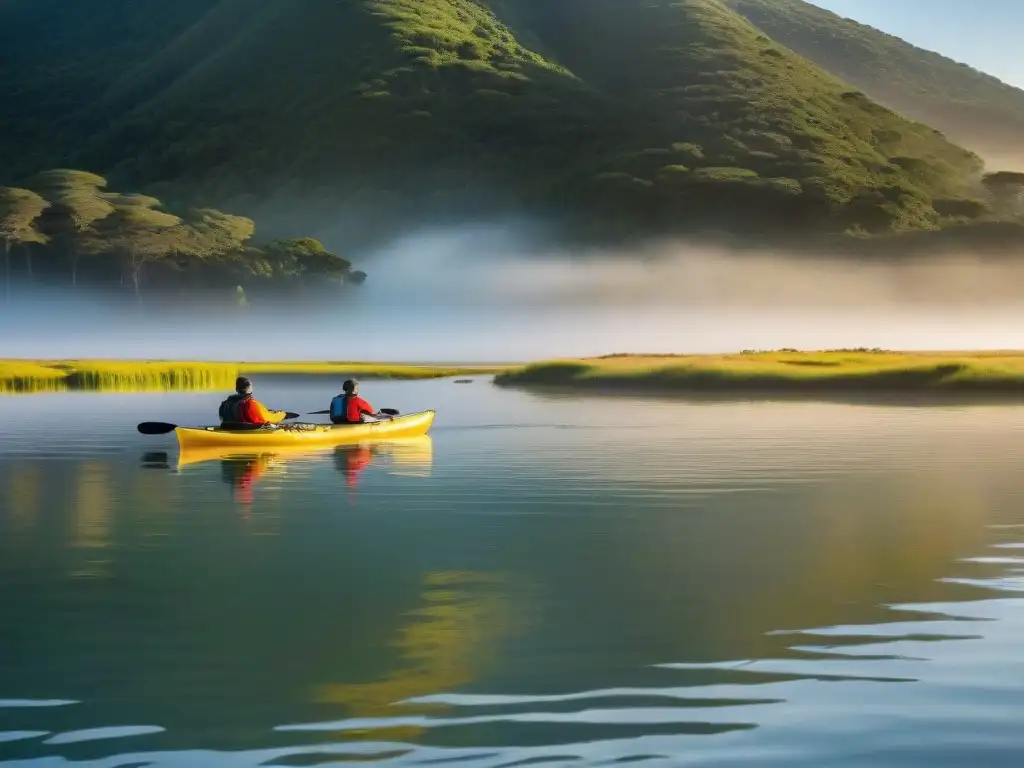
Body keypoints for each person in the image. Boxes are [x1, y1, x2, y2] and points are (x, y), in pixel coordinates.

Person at [218, 376, 287, 427]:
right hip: (248, 430)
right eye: (251, 386)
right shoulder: (251, 403)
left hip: (229, 428)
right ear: (249, 388)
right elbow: (269, 418)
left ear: (237, 389)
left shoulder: (225, 403)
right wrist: (282, 415)